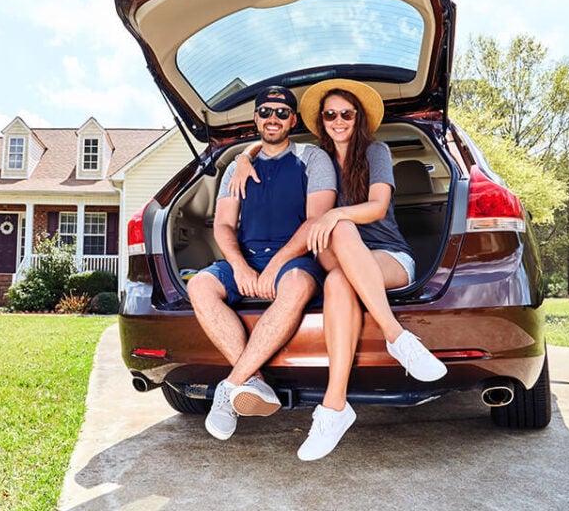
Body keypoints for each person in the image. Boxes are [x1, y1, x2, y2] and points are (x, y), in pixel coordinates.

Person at [230, 79, 447, 461]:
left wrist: (333, 215)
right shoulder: (317, 159)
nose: (338, 120)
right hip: (338, 257)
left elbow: (378, 207)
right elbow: (271, 145)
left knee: (339, 259)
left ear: (358, 117)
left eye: (346, 113)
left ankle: (353, 383)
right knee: (337, 258)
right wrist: (243, 157)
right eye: (330, 114)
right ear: (321, 120)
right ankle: (357, 381)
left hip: (388, 257)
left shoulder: (376, 151)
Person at [187, 85, 337, 441]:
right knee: (199, 285)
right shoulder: (238, 168)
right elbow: (223, 225)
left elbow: (316, 221)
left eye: (282, 112)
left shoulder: (312, 158)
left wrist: (275, 266)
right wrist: (239, 265)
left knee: (297, 285)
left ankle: (229, 389)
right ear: (256, 117)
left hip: (295, 260)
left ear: (293, 119)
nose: (273, 118)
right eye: (266, 112)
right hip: (247, 260)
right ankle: (254, 382)